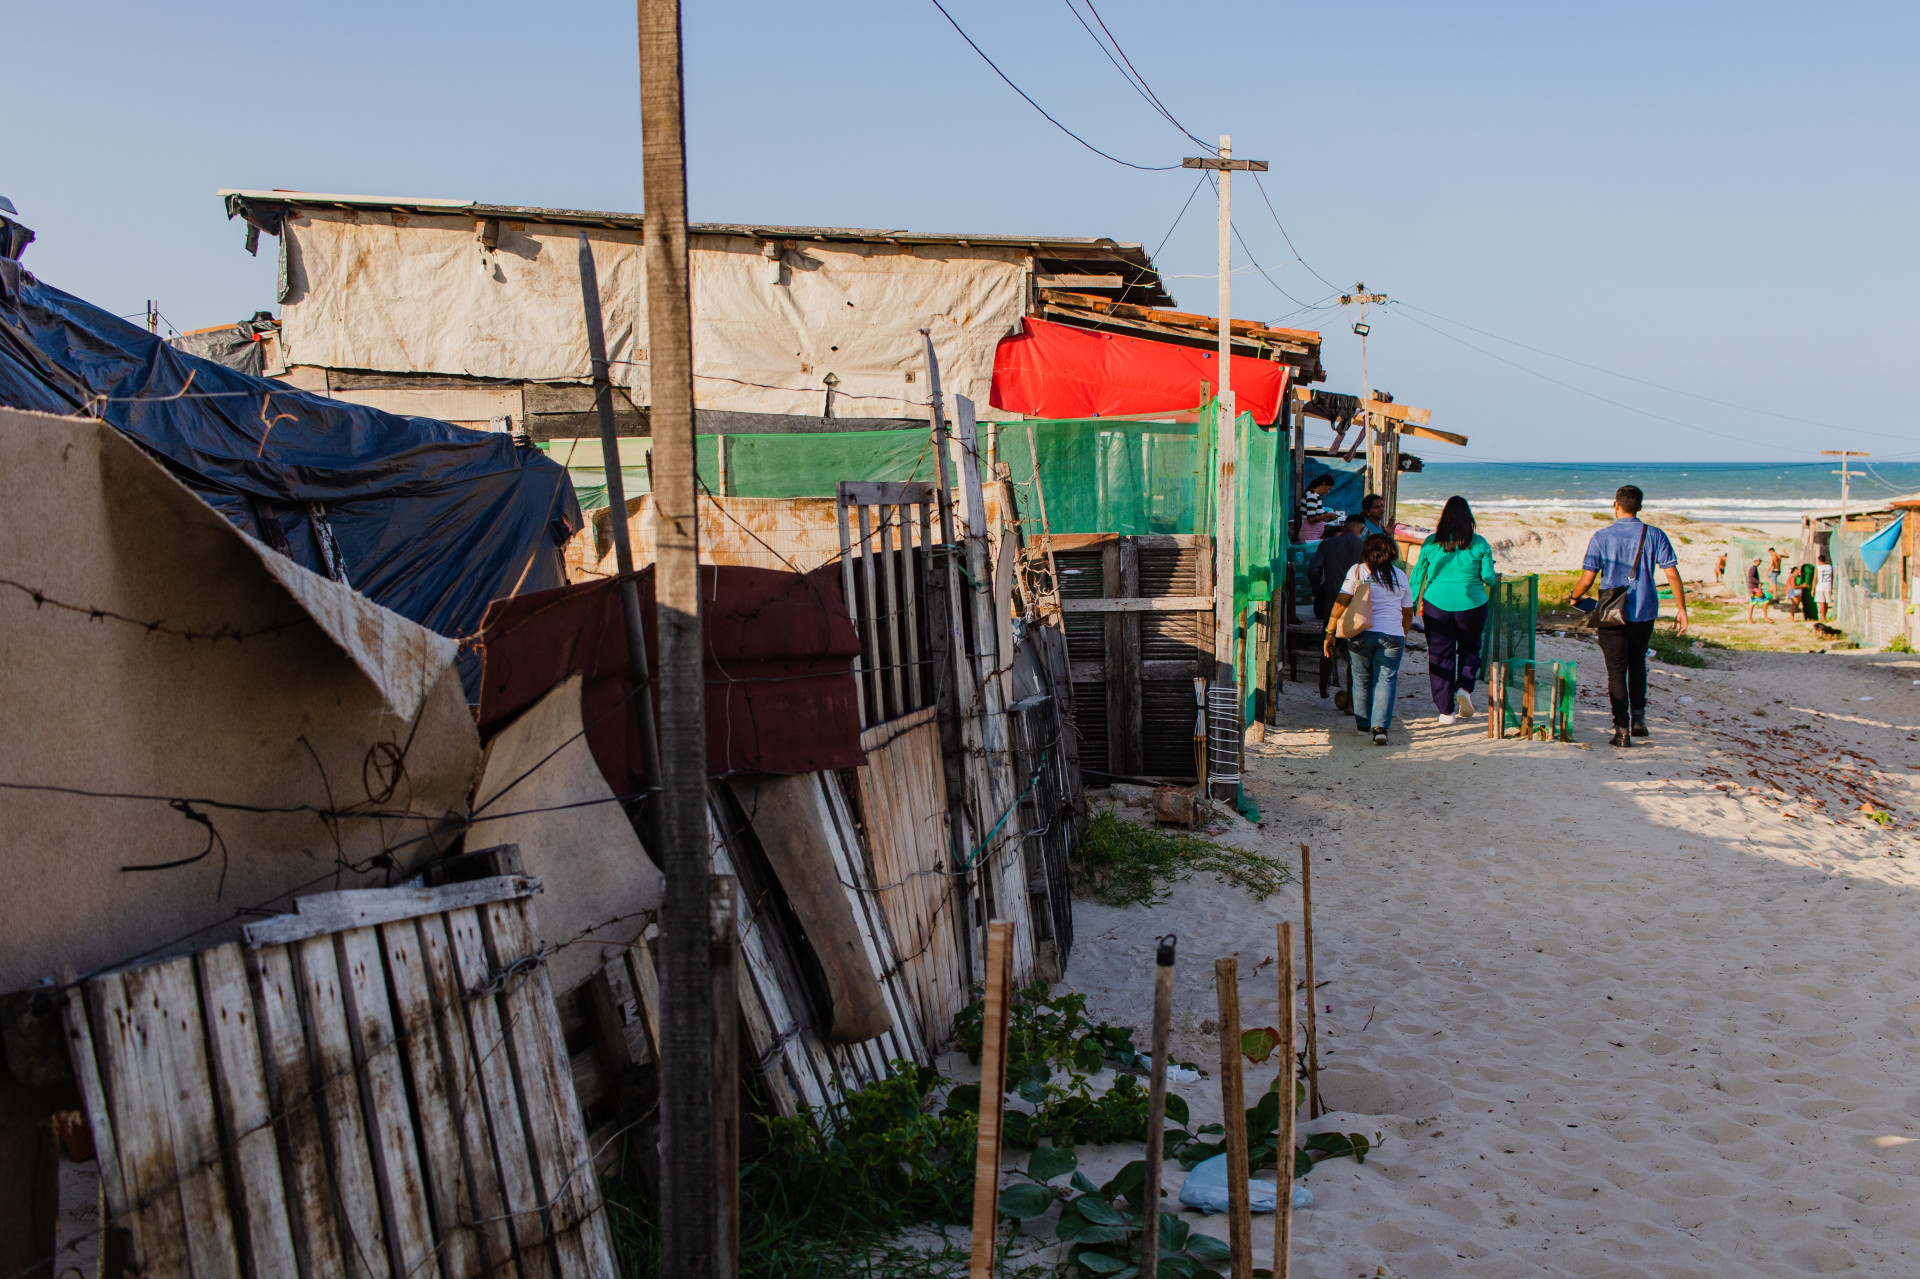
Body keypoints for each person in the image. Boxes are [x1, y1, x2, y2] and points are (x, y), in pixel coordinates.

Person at [1568, 486, 1687, 747]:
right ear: (1640, 507)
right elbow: (1672, 575)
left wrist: (1574, 596)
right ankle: (1639, 720)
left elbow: (1587, 579)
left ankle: (1621, 730)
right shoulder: (1655, 534)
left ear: (1616, 505)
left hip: (1612, 613)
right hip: (1644, 610)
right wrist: (1682, 609)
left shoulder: (1601, 537)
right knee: (1637, 664)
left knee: (1616, 671)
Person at [1408, 496, 1499, 725]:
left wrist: (1409, 604)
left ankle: (1445, 712)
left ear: (1443, 519)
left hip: (1436, 605)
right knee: (1470, 649)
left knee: (1440, 656)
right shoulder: (1480, 543)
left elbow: (1417, 577)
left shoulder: (1431, 543)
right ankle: (1465, 688)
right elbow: (1489, 578)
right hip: (1473, 605)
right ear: (1469, 519)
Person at [1323, 532, 1414, 746]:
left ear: (1366, 553)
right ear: (1391, 553)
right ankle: (1380, 728)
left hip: (1360, 634)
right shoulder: (1400, 575)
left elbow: (1341, 601)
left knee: (1361, 678)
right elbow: (1408, 612)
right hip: (1393, 634)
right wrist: (1403, 633)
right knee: (1386, 680)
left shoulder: (1357, 571)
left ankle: (1362, 725)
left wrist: (1330, 631)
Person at [1307, 513, 1368, 704]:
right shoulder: (1365, 547)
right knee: (1354, 655)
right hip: (1359, 607)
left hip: (1333, 603)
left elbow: (1313, 570)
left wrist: (1319, 590)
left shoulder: (1328, 544)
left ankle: (1323, 687)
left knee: (1328, 645)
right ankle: (1351, 700)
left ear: (1344, 526)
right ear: (1362, 529)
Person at [1297, 474, 1340, 543]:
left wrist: (1325, 514)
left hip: (1312, 535)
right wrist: (1327, 515)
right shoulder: (1312, 496)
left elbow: (1316, 514)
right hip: (1309, 535)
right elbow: (1311, 518)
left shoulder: (1315, 496)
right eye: (1328, 489)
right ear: (1323, 484)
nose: (1327, 492)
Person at [1815, 553, 1834, 620]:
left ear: (1819, 560)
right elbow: (1832, 577)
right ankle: (1824, 615)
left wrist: (1813, 588)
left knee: (1822, 602)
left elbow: (1815, 578)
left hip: (1820, 587)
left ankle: (1823, 617)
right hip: (1828, 586)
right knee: (1826, 602)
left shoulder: (1818, 568)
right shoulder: (1829, 567)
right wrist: (1831, 587)